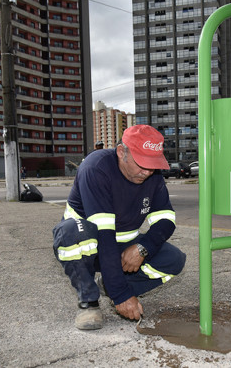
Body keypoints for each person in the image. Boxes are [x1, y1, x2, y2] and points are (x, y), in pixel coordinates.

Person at [53, 125, 186, 330]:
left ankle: (106, 285)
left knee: (174, 260)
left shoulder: (154, 176)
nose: (147, 171)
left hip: (122, 246)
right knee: (70, 232)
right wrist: (120, 295)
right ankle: (89, 302)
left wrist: (143, 248)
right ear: (121, 152)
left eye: (153, 165)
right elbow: (105, 235)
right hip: (91, 244)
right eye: (141, 163)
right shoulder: (96, 168)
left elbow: (166, 220)